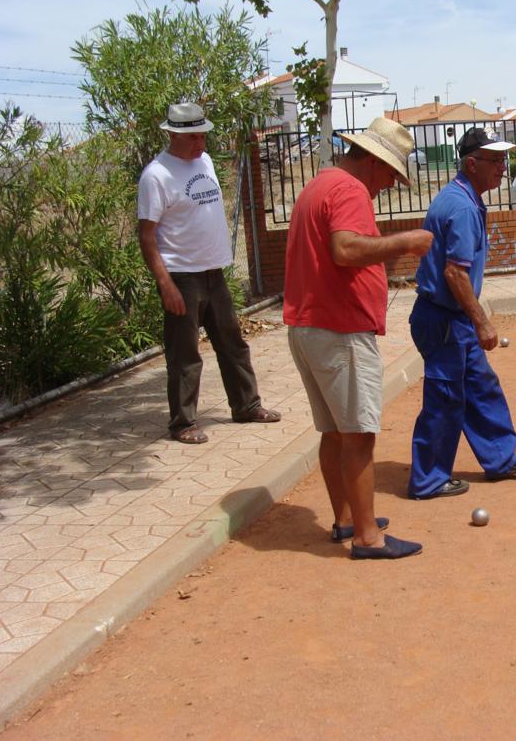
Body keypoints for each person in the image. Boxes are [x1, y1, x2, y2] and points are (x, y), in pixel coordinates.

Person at [283, 117, 433, 559]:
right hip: (338, 330)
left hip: (312, 325)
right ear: (372, 160)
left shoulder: (320, 184)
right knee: (358, 433)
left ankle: (347, 519)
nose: (387, 186)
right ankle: (367, 536)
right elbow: (346, 249)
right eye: (390, 174)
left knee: (335, 431)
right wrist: (406, 242)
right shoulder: (349, 189)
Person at [407, 128, 516, 499]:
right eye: (495, 160)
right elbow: (455, 273)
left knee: (481, 387)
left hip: (451, 318)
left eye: (504, 159)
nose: (503, 167)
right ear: (472, 163)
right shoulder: (463, 207)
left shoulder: (463, 198)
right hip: (443, 318)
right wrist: (482, 321)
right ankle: (428, 480)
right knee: (445, 399)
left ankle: (501, 458)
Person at [138, 102, 280, 445]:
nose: (200, 143)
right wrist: (166, 284)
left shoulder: (205, 161)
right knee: (184, 354)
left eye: (203, 136)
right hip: (181, 276)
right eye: (193, 138)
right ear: (172, 135)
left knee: (232, 343)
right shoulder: (156, 176)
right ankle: (182, 423)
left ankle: (246, 405)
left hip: (214, 273)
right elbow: (146, 236)